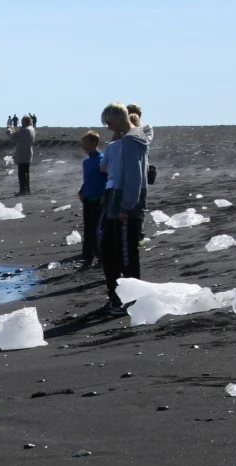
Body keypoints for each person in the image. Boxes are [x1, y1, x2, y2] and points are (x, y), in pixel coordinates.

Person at [99, 102, 150, 313]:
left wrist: (126, 207)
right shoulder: (132, 138)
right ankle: (120, 297)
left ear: (118, 119)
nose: (109, 127)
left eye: (109, 122)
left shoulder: (131, 140)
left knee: (122, 254)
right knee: (113, 251)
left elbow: (134, 176)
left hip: (125, 203)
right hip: (119, 200)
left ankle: (128, 299)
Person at [77, 130, 107, 269]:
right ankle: (87, 257)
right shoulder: (86, 162)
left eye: (86, 144)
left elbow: (107, 179)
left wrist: (104, 195)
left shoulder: (101, 160)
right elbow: (87, 179)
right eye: (83, 144)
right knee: (88, 229)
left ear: (94, 143)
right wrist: (82, 191)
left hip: (98, 199)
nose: (84, 147)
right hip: (88, 198)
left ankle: (101, 256)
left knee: (97, 229)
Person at [8, 115, 35, 194]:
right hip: (28, 152)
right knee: (26, 172)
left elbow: (12, 137)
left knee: (21, 173)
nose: (21, 122)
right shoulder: (31, 129)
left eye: (22, 120)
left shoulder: (25, 130)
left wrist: (9, 131)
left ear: (25, 121)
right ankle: (27, 190)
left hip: (22, 153)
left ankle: (22, 190)